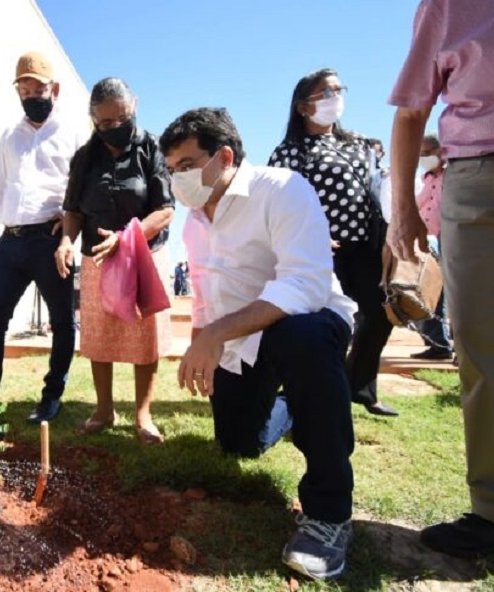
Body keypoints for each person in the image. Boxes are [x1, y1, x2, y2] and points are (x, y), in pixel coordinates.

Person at [160, 107, 357, 580]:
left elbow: (305, 285)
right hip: (238, 341)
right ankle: (292, 407)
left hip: (307, 323)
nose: (178, 181)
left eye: (187, 166)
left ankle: (329, 515)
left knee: (301, 336)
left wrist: (214, 335)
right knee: (238, 445)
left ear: (224, 156)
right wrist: (200, 348)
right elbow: (207, 297)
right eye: (171, 172)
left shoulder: (282, 189)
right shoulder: (193, 223)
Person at [388, 0, 494, 558]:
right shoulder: (447, 5)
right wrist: (404, 210)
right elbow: (411, 112)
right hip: (481, 180)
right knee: (485, 346)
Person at [269, 68, 398, 417]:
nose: (335, 99)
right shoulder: (290, 152)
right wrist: (311, 233)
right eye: (325, 93)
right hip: (322, 250)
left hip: (369, 244)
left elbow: (380, 186)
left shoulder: (358, 142)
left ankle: (360, 387)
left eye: (339, 90)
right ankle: (314, 391)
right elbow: (278, 202)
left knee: (380, 315)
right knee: (328, 322)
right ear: (302, 107)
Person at [55, 77, 174, 444]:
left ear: (134, 106)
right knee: (99, 335)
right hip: (98, 258)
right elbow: (73, 210)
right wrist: (65, 241)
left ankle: (143, 415)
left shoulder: (151, 148)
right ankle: (104, 409)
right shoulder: (84, 158)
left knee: (145, 336)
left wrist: (127, 238)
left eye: (120, 119)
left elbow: (166, 209)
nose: (113, 128)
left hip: (144, 254)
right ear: (93, 119)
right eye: (104, 123)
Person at [0, 51, 86, 424]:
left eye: (37, 88)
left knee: (62, 321)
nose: (30, 95)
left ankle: (51, 396)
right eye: (23, 89)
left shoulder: (72, 134)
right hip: (11, 239)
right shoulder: (10, 135)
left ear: (53, 89)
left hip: (51, 240)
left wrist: (69, 225)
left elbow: (80, 188)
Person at [410, 133, 453, 360]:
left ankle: (453, 344)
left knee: (454, 292)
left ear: (441, 151)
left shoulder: (454, 175)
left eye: (427, 153)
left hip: (454, 237)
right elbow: (421, 206)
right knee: (434, 291)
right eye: (420, 155)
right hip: (433, 241)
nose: (423, 158)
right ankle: (439, 344)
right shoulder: (427, 178)